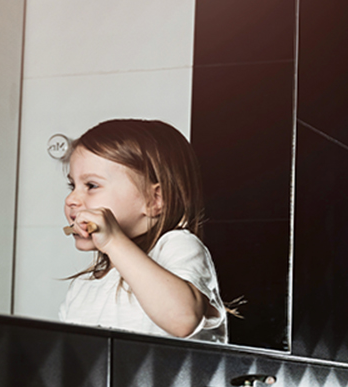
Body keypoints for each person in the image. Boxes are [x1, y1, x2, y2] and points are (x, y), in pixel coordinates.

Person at [59, 119, 227, 343]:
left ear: (154, 200)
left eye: (91, 185)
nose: (71, 199)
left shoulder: (176, 245)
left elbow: (183, 321)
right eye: (72, 186)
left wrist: (113, 242)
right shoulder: (83, 288)